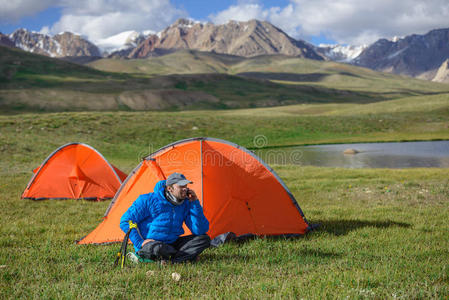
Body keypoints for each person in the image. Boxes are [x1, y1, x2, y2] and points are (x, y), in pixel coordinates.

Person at [120, 172, 210, 264]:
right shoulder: (147, 200)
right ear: (170, 188)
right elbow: (126, 221)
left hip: (172, 244)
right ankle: (183, 257)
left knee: (204, 239)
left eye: (186, 186)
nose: (185, 189)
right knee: (158, 248)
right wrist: (140, 242)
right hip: (151, 244)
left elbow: (199, 231)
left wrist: (194, 203)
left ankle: (170, 260)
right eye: (181, 186)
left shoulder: (185, 203)